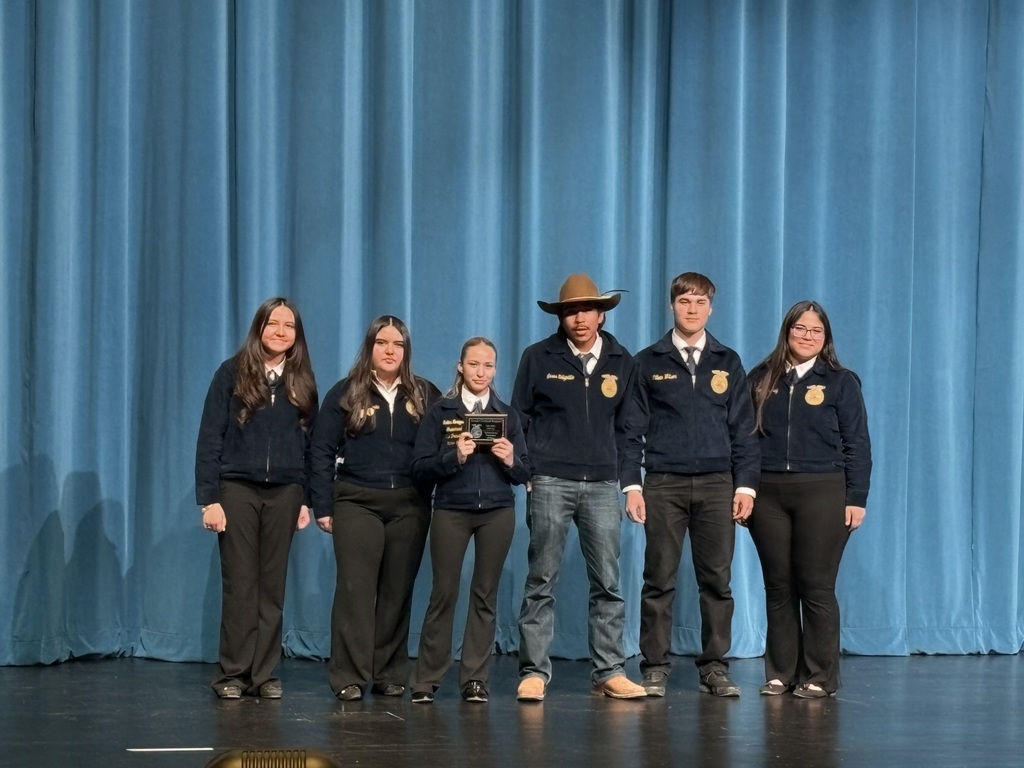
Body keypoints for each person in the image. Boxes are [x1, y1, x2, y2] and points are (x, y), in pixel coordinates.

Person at [512, 273, 646, 701]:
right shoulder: (538, 357)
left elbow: (629, 430)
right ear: (561, 317)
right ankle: (534, 672)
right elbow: (519, 420)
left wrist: (631, 484)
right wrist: (527, 471)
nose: (580, 318)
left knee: (608, 583)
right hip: (549, 481)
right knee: (541, 579)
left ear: (601, 315)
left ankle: (609, 671)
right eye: (571, 311)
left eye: (587, 310)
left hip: (604, 484)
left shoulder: (623, 361)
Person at [628, 272, 760, 698]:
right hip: (663, 484)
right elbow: (630, 430)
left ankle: (715, 666)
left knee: (717, 581)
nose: (692, 309)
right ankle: (654, 667)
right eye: (685, 301)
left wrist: (745, 487)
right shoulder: (648, 361)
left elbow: (744, 430)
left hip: (718, 484)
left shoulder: (728, 360)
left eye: (700, 302)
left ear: (711, 308)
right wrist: (632, 485)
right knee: (658, 579)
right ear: (672, 306)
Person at [310, 315, 441, 701]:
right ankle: (348, 676)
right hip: (356, 501)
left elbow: (443, 448)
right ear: (369, 347)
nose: (389, 350)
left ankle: (389, 673)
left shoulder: (425, 394)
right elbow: (320, 450)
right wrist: (322, 505)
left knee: (397, 592)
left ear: (406, 351)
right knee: (355, 591)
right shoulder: (345, 393)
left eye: (397, 344)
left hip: (410, 505)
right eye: (382, 343)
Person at [195, 297, 319, 700]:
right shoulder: (231, 373)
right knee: (240, 585)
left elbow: (311, 446)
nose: (281, 332)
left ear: (297, 335)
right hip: (237, 490)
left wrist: (306, 499)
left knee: (271, 586)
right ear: (259, 328)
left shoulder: (302, 381)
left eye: (289, 326)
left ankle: (263, 674)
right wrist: (209, 499)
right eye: (273, 324)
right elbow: (210, 437)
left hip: (285, 493)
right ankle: (232, 673)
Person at [746, 300, 871, 698]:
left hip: (823, 490)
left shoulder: (841, 381)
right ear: (787, 331)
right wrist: (743, 489)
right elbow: (744, 440)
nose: (807, 336)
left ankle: (819, 676)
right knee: (778, 585)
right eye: (800, 328)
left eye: (816, 331)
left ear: (826, 338)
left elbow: (857, 444)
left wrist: (856, 497)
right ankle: (781, 672)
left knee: (815, 585)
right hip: (767, 494)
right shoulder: (760, 377)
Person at [409, 338, 530, 704]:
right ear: (460, 367)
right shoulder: (440, 412)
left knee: (485, 594)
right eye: (474, 364)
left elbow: (525, 472)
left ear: (495, 370)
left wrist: (510, 461)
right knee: (443, 593)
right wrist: (454, 457)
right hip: (451, 510)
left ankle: (475, 679)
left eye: (488, 365)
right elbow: (419, 468)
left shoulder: (507, 415)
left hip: (497, 512)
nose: (481, 372)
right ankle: (426, 680)